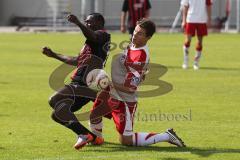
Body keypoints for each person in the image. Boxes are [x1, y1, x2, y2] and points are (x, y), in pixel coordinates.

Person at [77, 18, 186, 148]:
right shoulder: (134, 43)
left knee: (126, 141)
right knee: (94, 115)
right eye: (135, 31)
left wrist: (108, 84)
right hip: (112, 92)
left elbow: (130, 89)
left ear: (148, 37)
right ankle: (96, 139)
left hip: (124, 99)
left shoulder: (140, 57)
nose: (134, 35)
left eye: (140, 33)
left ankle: (167, 136)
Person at [41, 13, 110, 150]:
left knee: (53, 100)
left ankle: (83, 134)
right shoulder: (90, 43)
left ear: (100, 22)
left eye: (90, 22)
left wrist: (78, 23)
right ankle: (94, 138)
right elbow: (76, 61)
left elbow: (93, 36)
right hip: (80, 83)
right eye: (86, 22)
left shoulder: (103, 35)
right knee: (57, 114)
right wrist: (54, 55)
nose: (87, 24)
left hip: (85, 83)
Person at [181, 0, 212, 70]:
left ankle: (196, 63)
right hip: (190, 19)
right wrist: (183, 20)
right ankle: (185, 62)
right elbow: (185, 6)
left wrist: (209, 19)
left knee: (200, 42)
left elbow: (209, 5)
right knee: (187, 41)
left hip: (202, 20)